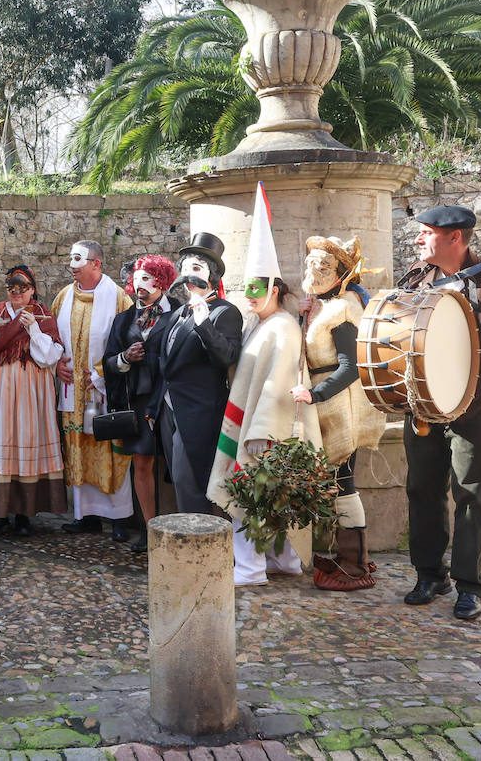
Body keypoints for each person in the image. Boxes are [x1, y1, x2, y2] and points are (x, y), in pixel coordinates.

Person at [397, 204, 481, 621]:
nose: (418, 240)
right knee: (422, 489)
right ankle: (430, 574)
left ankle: (469, 585)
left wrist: (461, 399)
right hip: (423, 405)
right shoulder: (416, 279)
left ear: (455, 238)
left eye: (426, 232)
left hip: (477, 409)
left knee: (471, 494)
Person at [207, 185, 321, 585]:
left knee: (249, 498)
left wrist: (261, 431)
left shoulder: (283, 328)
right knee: (267, 498)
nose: (249, 296)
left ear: (274, 289)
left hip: (264, 430)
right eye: (246, 288)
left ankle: (251, 568)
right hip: (253, 424)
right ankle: (284, 562)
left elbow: (279, 381)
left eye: (256, 288)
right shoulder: (261, 325)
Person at [290, 235, 388, 591]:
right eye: (310, 264)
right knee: (334, 483)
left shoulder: (344, 309)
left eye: (323, 266)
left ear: (341, 273)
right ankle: (346, 554)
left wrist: (314, 394)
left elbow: (350, 368)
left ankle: (354, 564)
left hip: (339, 405)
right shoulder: (322, 304)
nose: (313, 271)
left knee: (343, 483)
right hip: (324, 402)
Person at [0, 265, 68, 536]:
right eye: (11, 289)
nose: (16, 293)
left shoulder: (42, 315)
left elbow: (49, 357)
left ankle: (25, 514)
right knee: (0, 447)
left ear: (32, 290)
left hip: (30, 390)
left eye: (22, 288)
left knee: (27, 444)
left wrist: (35, 330)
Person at [151, 233, 243, 514]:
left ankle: (198, 547)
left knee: (190, 482)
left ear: (211, 276)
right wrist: (155, 408)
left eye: (197, 269)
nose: (189, 276)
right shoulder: (179, 313)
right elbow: (167, 364)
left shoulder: (224, 312)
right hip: (169, 411)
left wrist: (204, 323)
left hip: (199, 413)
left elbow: (225, 357)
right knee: (176, 481)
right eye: (186, 268)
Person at [53, 240, 134, 538]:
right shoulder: (63, 298)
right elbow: (53, 340)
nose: (72, 265)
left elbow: (129, 342)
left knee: (110, 449)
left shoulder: (119, 299)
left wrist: (101, 374)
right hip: (72, 391)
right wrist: (56, 365)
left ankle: (119, 517)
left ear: (96, 263)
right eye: (71, 258)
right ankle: (85, 515)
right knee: (78, 450)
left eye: (78, 259)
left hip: (103, 390)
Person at [103, 254, 176, 553]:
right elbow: (107, 362)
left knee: (175, 464)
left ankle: (181, 525)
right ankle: (150, 529)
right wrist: (124, 359)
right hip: (138, 401)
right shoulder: (123, 320)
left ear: (163, 280)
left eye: (147, 278)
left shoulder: (179, 314)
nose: (139, 284)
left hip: (171, 401)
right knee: (142, 463)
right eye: (137, 278)